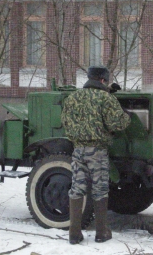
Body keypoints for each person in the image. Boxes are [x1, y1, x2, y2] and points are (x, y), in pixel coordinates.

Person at [61, 66, 131, 244]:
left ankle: (74, 234)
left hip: (78, 149)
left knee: (77, 189)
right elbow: (118, 124)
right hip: (97, 151)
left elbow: (65, 122)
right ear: (102, 80)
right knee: (100, 190)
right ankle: (101, 233)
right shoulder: (105, 98)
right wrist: (127, 116)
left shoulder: (72, 97)